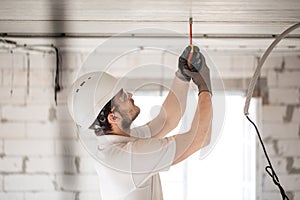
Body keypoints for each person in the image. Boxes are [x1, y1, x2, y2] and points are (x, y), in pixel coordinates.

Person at [68, 45, 213, 200]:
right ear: (113, 117)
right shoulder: (127, 158)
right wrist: (204, 86)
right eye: (122, 96)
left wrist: (182, 76)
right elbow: (199, 139)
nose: (130, 94)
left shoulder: (119, 142)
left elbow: (167, 120)